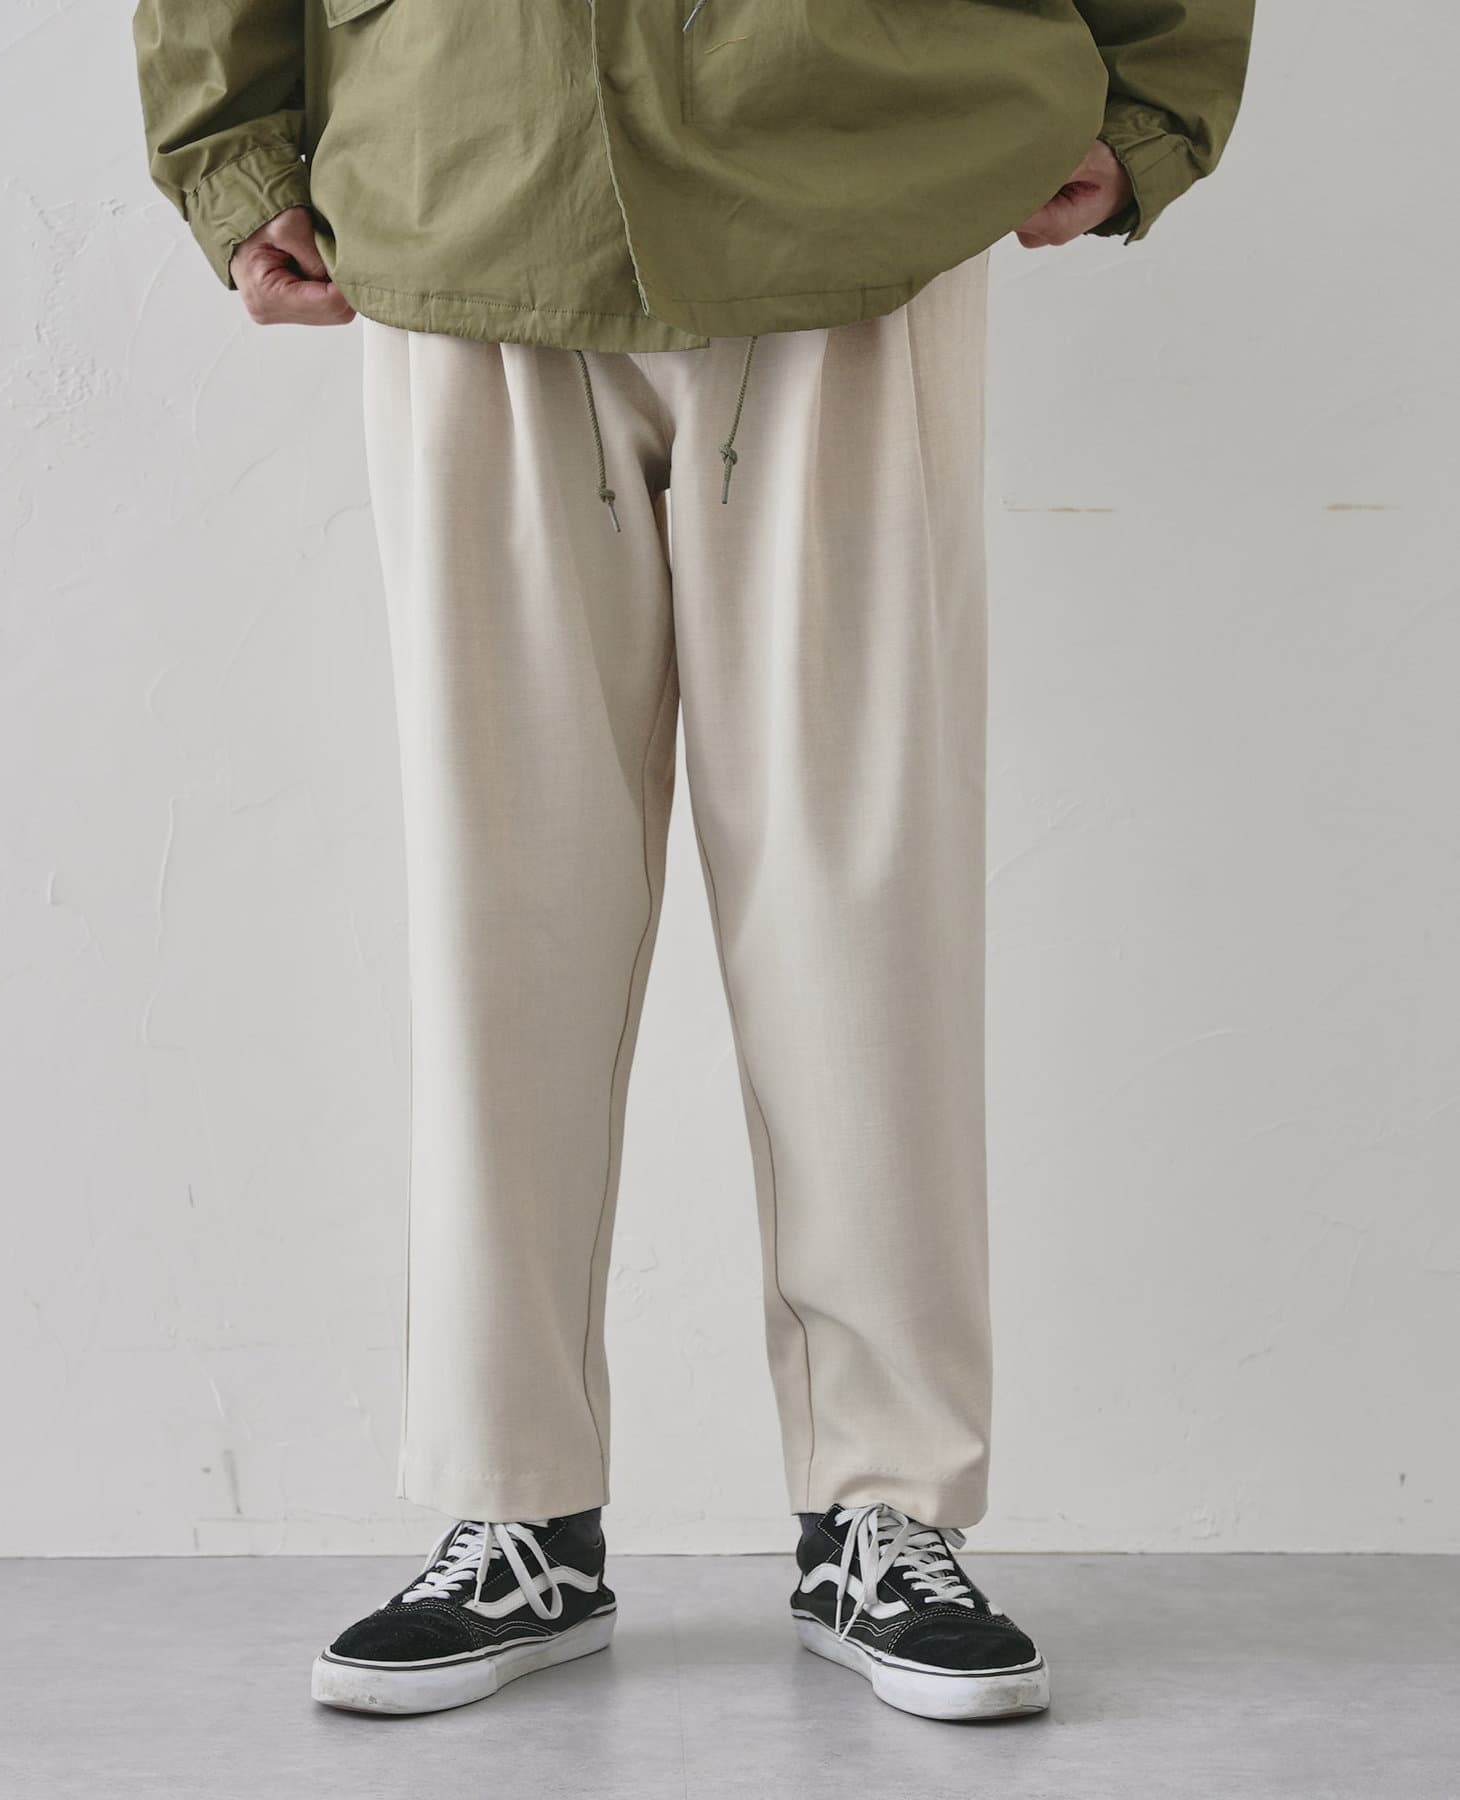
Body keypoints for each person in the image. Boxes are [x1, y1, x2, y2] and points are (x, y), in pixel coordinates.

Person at [133, 0, 1253, 1724]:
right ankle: (513, 1504)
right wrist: (229, 152)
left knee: (863, 900)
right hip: (466, 168)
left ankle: (884, 1503)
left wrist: (1156, 101)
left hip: (859, 157)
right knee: (500, 911)